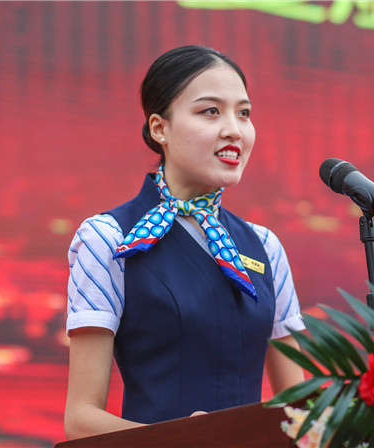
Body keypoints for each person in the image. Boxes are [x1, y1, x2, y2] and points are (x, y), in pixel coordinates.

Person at [63, 45, 305, 440]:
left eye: (244, 113)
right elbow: (80, 421)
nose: (234, 129)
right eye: (210, 111)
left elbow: (299, 411)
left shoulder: (265, 246)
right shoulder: (108, 238)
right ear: (160, 128)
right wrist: (183, 441)